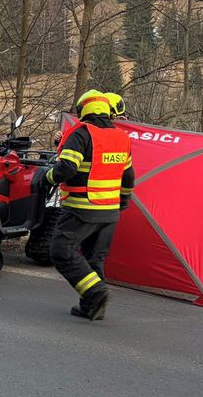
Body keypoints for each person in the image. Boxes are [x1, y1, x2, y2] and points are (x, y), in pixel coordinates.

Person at [39, 89, 135, 321]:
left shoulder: (81, 134)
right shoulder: (122, 138)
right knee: (94, 259)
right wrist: (122, 201)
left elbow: (67, 168)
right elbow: (129, 176)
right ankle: (93, 307)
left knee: (61, 251)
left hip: (83, 208)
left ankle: (94, 292)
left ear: (84, 110)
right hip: (110, 211)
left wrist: (46, 177)